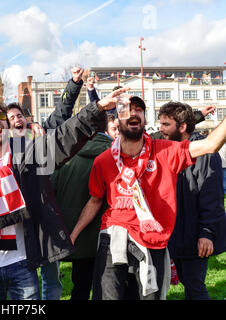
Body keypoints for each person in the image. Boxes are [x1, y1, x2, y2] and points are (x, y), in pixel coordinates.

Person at [0, 86, 123, 300]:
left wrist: (96, 108)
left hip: (21, 263)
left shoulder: (26, 155)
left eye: (1, 116)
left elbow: (61, 138)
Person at [70, 95, 226, 300]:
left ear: (144, 119)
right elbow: (95, 200)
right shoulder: (104, 160)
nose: (134, 113)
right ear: (118, 119)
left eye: (139, 110)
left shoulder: (165, 151)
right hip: (114, 236)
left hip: (152, 241)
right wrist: (73, 236)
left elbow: (210, 145)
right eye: (127, 110)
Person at [6, 67, 86, 300]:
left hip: (44, 219)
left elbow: (62, 112)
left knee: (52, 277)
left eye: (19, 116)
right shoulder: (1, 148)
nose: (17, 120)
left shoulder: (41, 135)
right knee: (19, 279)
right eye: (11, 118)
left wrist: (74, 83)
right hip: (17, 221)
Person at [158, 101, 226, 300]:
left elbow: (212, 198)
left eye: (165, 125)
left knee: (195, 287)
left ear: (182, 127)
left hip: (195, 236)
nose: (160, 129)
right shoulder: (168, 148)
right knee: (186, 284)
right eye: (160, 124)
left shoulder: (204, 154)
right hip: (175, 235)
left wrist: (206, 233)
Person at [50, 113, 113, 300]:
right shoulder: (116, 153)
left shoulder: (65, 155)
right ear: (105, 126)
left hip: (76, 234)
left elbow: (50, 191)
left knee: (80, 287)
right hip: (110, 234)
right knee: (108, 289)